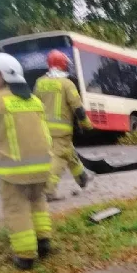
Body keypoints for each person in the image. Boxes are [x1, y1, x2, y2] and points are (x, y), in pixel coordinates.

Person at [0, 53, 54, 270]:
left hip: (14, 170)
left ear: (5, 74)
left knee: (17, 209)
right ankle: (43, 241)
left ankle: (26, 256)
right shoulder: (34, 100)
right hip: (42, 165)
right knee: (37, 202)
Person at [33, 49, 94, 200]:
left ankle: (82, 178)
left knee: (69, 153)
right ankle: (48, 191)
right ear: (63, 65)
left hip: (43, 129)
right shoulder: (67, 84)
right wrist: (86, 124)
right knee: (59, 157)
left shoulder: (40, 83)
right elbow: (77, 107)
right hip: (61, 130)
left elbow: (34, 104)